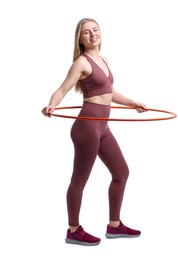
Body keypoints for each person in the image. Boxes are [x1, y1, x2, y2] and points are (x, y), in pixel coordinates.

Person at [41, 18, 147, 246]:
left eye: (95, 30)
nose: (92, 34)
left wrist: (132, 102)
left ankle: (115, 225)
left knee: (121, 172)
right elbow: (62, 89)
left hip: (103, 126)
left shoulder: (104, 60)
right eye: (86, 32)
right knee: (80, 180)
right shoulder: (81, 62)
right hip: (87, 127)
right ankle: (73, 230)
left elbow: (109, 93)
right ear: (79, 39)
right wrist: (52, 105)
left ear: (101, 32)